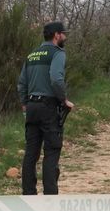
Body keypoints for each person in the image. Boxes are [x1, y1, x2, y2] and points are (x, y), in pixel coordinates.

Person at [18, 21, 75, 195]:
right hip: (49, 106)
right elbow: (56, 79)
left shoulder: (32, 55)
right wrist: (64, 99)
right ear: (57, 35)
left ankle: (29, 194)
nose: (65, 37)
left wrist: (25, 104)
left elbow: (21, 84)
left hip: (32, 107)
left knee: (31, 153)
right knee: (51, 151)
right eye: (63, 34)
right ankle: (50, 196)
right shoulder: (57, 53)